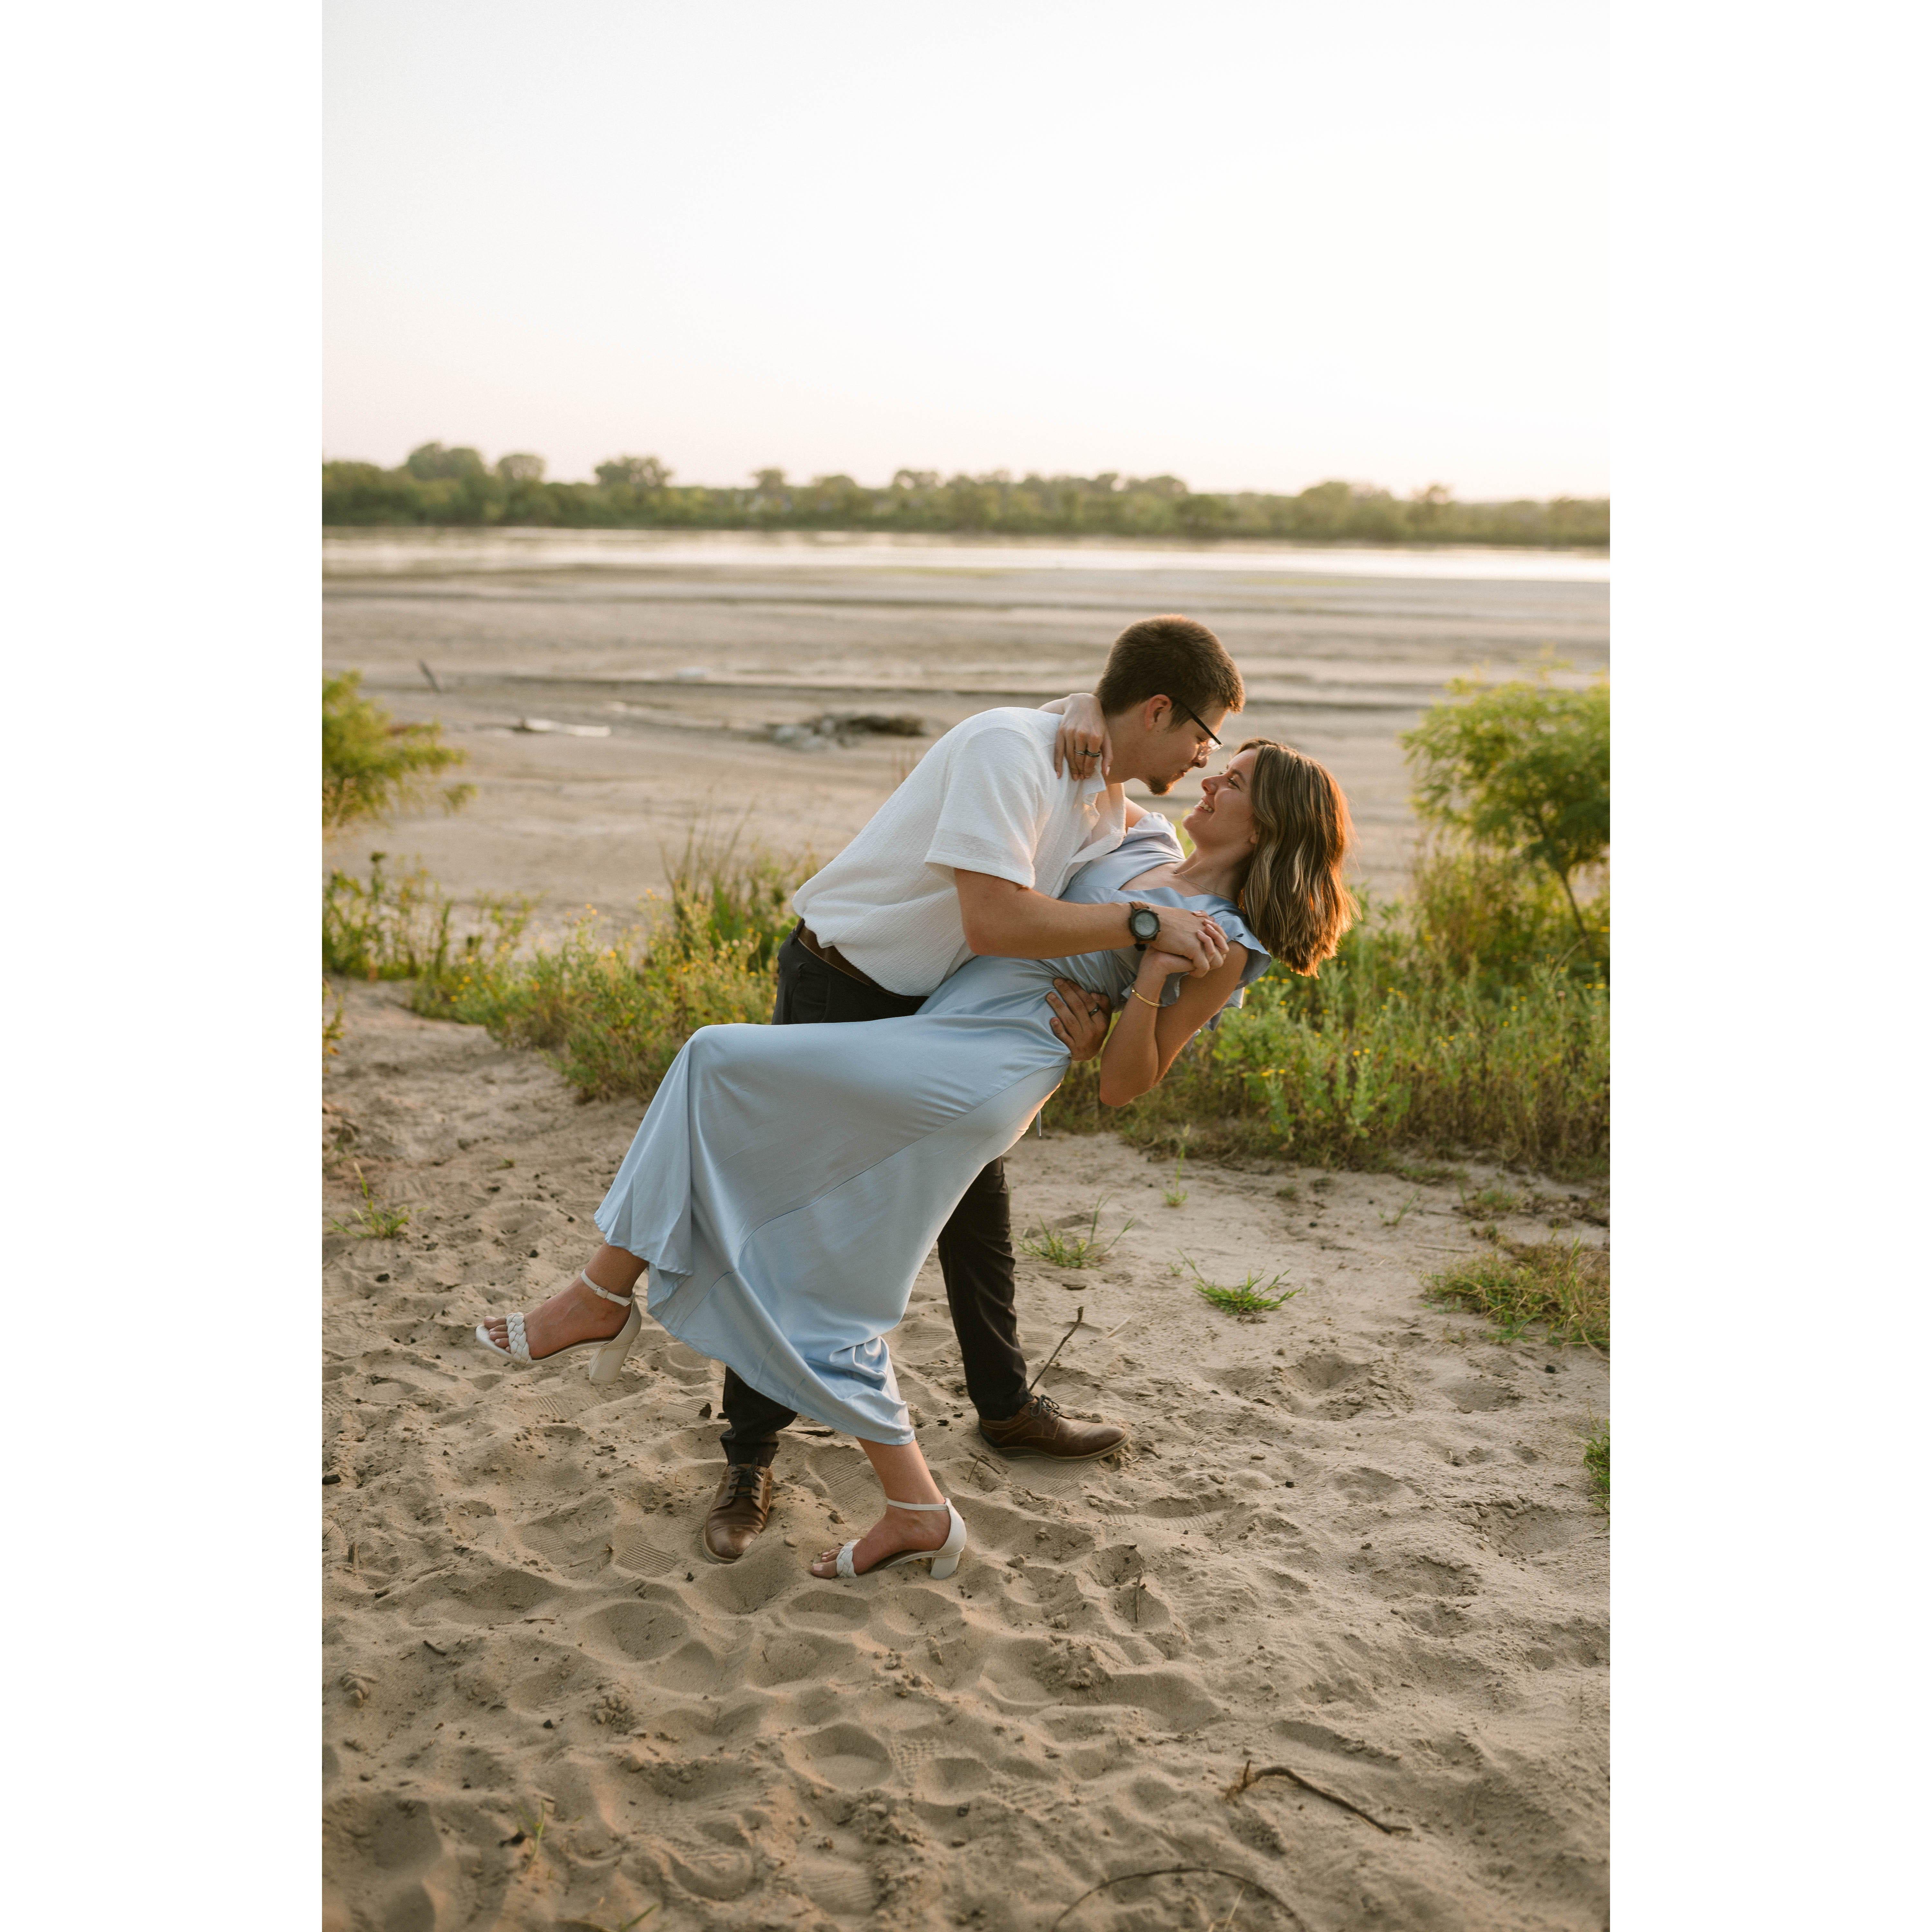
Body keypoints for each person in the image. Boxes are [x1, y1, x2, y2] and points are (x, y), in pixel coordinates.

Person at [478, 734, 1358, 1581]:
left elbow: (1130, 1082)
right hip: (940, 1031)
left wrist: (1151, 981)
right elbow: (1082, 765)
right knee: (827, 1262)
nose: (1213, 780)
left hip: (984, 1071)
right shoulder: (1147, 840)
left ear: (1271, 823)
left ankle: (601, 1296)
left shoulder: (1224, 939)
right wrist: (1083, 708)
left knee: (717, 1063)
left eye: (1237, 782)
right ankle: (915, 1508)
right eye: (1221, 764)